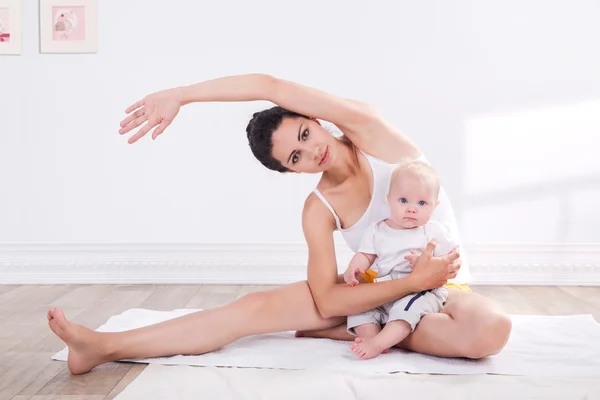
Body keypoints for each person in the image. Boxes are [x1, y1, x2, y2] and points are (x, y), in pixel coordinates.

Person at [47, 73, 512, 375]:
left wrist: (182, 95)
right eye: (296, 157)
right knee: (253, 309)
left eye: (306, 135)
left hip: (442, 291)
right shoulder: (318, 208)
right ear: (293, 171)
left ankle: (348, 329)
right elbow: (329, 296)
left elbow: (268, 84)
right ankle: (102, 346)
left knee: (489, 331)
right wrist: (406, 282)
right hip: (377, 291)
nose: (313, 152)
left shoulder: (373, 135)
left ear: (315, 119)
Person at [343, 160, 458, 359]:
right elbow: (366, 255)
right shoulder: (377, 230)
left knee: (405, 310)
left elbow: (451, 258)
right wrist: (354, 267)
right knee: (358, 310)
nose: (412, 209)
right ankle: (373, 337)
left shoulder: (433, 231)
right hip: (387, 288)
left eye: (421, 203)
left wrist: (426, 261)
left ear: (434, 206)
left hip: (422, 290)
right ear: (389, 199)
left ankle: (378, 344)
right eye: (403, 201)